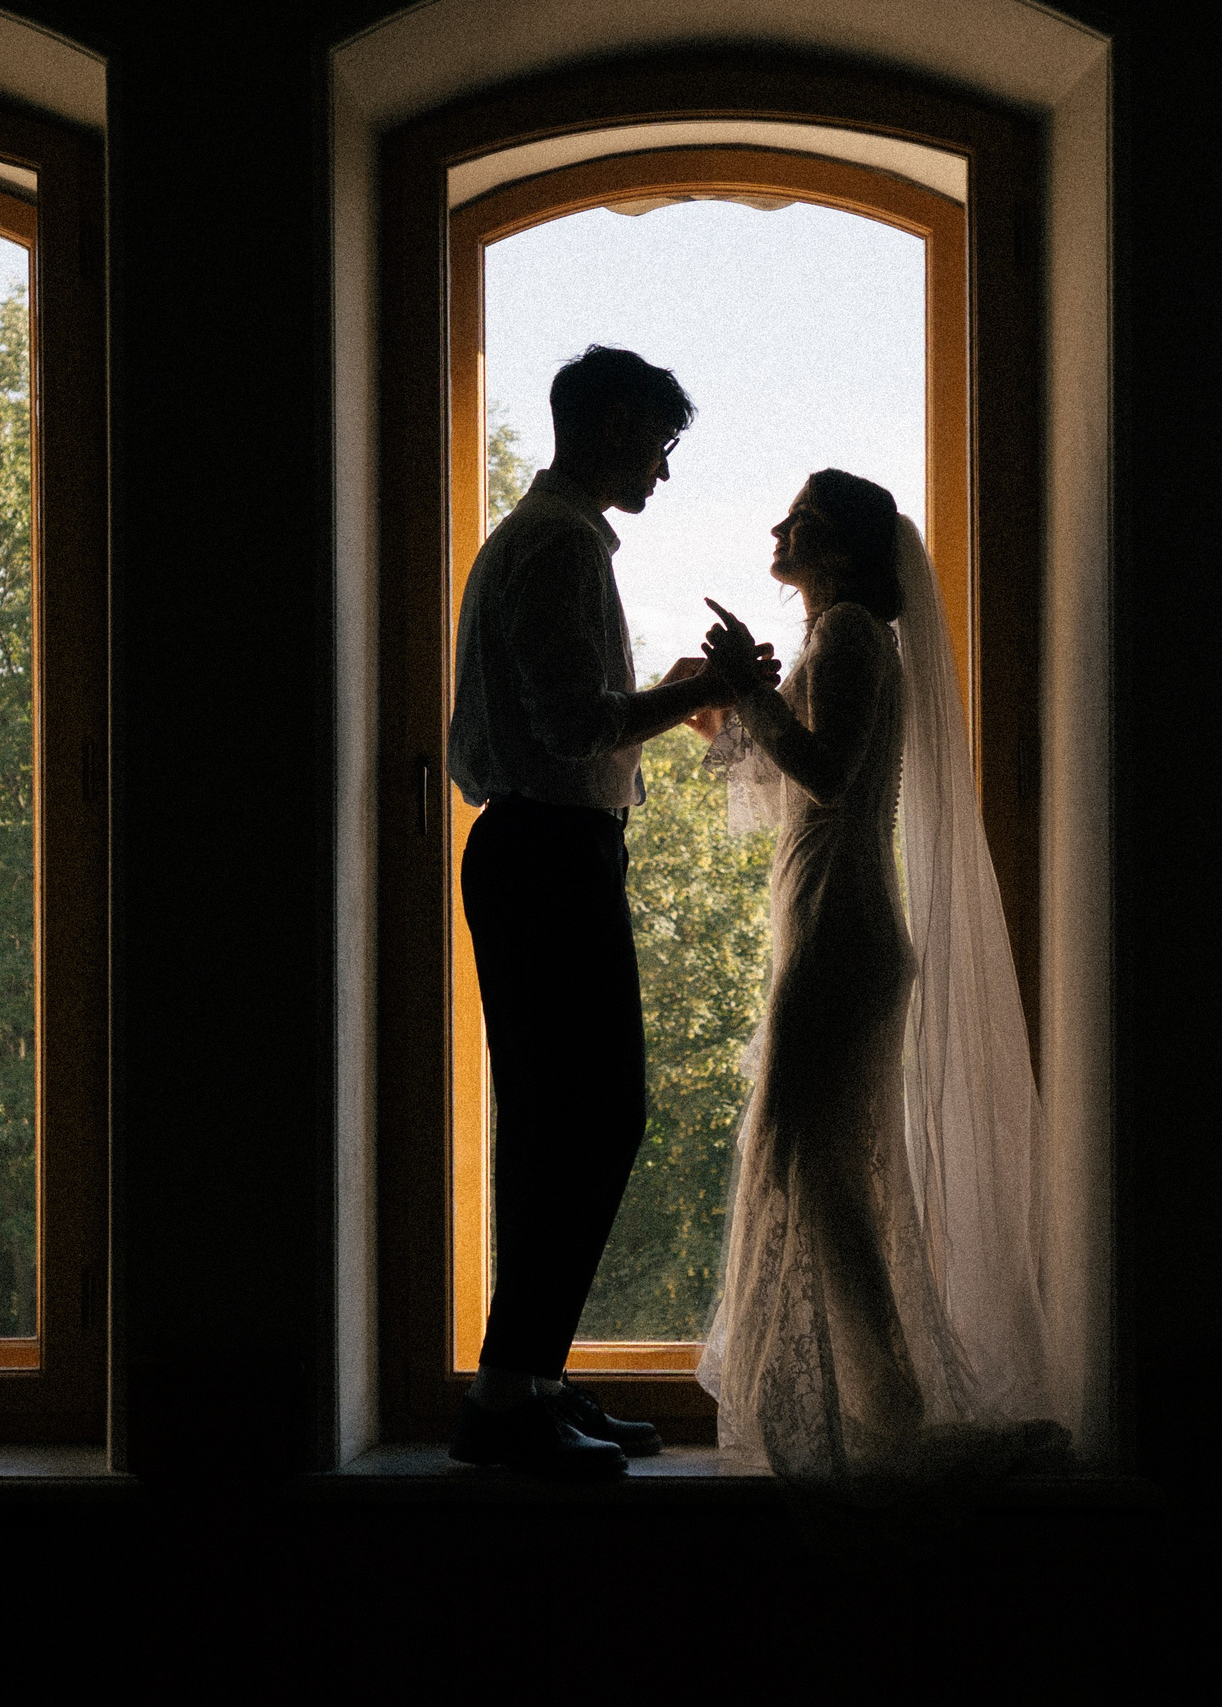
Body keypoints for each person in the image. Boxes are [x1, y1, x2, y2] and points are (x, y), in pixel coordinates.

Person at [445, 346, 779, 1477]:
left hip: (540, 849)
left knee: (560, 1119)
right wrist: (709, 691)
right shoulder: (559, 547)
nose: (663, 470)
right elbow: (574, 728)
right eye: (658, 444)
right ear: (611, 426)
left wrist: (682, 689)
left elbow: (564, 714)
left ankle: (530, 1382)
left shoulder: (545, 538)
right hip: (548, 852)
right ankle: (507, 1395)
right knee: (592, 1117)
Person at [696, 470, 1064, 1493]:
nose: (780, 526)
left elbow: (827, 773)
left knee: (812, 1161)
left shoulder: (852, 633)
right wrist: (730, 697)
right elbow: (775, 774)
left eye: (803, 519)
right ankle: (879, 1402)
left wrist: (750, 691)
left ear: (842, 549)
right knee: (822, 1169)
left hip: (844, 930)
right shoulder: (838, 638)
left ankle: (883, 1408)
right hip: (829, 921)